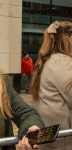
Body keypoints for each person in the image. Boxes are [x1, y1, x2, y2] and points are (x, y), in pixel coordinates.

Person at [30, 21, 72, 150]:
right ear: (70, 39)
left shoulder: (48, 60)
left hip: (49, 138)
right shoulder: (63, 63)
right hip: (63, 141)